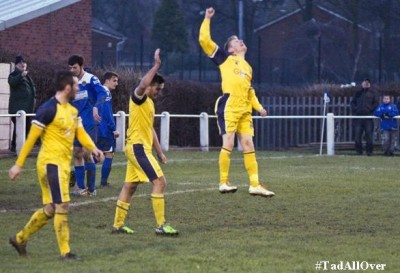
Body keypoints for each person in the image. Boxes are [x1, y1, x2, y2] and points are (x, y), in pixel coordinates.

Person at [8, 71, 104, 260]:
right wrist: (18, 165)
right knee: (62, 205)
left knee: (52, 208)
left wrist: (93, 149)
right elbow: (31, 139)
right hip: (50, 164)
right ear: (67, 88)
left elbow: (81, 132)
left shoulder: (72, 110)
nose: (78, 88)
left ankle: (20, 238)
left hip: (62, 166)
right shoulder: (48, 109)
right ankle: (65, 252)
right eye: (76, 85)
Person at [199, 7, 274, 197]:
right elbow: (204, 41)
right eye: (236, 41)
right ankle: (223, 182)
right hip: (229, 106)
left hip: (245, 110)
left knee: (248, 144)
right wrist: (207, 19)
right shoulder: (225, 59)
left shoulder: (248, 67)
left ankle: (255, 185)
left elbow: (250, 92)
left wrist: (260, 108)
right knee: (229, 143)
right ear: (231, 49)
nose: (241, 41)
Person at [112, 49, 178, 236]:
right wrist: (156, 65)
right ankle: (161, 225)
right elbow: (142, 83)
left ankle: (118, 225)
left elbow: (150, 129)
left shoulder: (149, 103)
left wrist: (159, 152)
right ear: (150, 86)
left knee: (130, 186)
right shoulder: (139, 98)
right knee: (160, 182)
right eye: (157, 88)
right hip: (138, 148)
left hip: (139, 148)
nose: (159, 92)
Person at [68, 55, 107, 196]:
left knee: (86, 154)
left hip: (89, 123)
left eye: (75, 67)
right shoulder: (71, 82)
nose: (72, 70)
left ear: (81, 65)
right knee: (77, 154)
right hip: (75, 123)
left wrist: (96, 106)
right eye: (70, 68)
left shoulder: (91, 79)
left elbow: (103, 93)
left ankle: (91, 189)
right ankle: (80, 188)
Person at [8, 55, 36, 153]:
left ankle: (20, 146)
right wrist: (21, 75)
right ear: (16, 65)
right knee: (19, 127)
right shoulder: (14, 74)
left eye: (24, 62)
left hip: (27, 108)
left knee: (26, 127)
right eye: (20, 63)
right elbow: (12, 82)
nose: (23, 64)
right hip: (17, 108)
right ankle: (15, 146)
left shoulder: (27, 76)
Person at [97, 72, 120, 187]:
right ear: (107, 80)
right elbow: (107, 113)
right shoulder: (105, 92)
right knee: (109, 154)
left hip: (96, 128)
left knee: (97, 154)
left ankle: (77, 173)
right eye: (114, 80)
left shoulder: (98, 91)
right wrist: (113, 129)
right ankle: (103, 183)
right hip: (104, 130)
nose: (117, 83)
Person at [350, 79, 379, 156]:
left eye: (367, 83)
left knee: (369, 135)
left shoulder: (373, 93)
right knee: (357, 135)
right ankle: (359, 151)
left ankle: (369, 151)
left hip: (368, 117)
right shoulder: (357, 93)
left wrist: (370, 109)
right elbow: (352, 102)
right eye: (364, 83)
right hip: (358, 117)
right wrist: (356, 110)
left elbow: (376, 103)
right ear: (362, 84)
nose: (365, 84)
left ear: (369, 84)